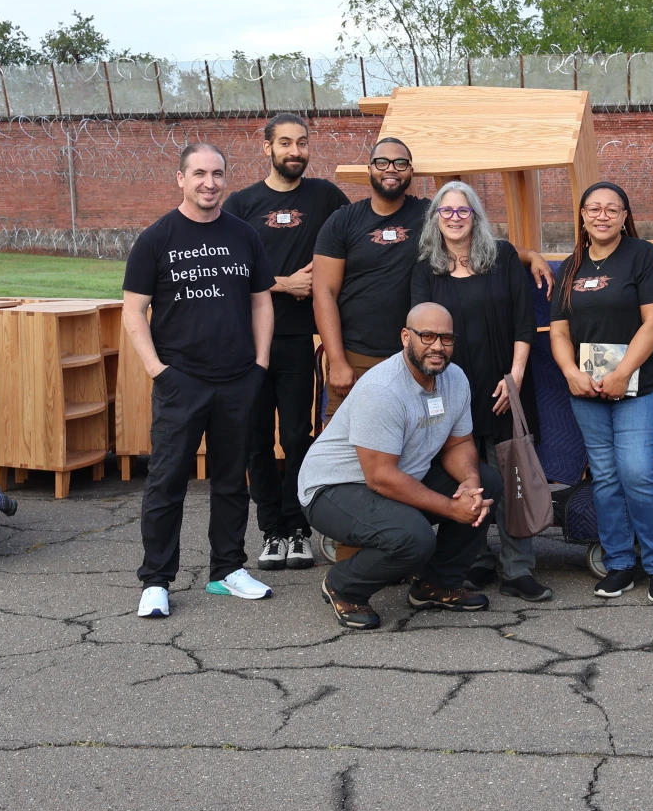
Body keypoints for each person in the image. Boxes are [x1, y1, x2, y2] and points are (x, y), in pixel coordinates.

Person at [123, 143, 276, 619]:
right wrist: (158, 371)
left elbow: (261, 303)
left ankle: (227, 570)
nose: (209, 182)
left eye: (217, 174)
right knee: (167, 481)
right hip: (181, 381)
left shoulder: (244, 235)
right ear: (181, 178)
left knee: (232, 480)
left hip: (237, 380)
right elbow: (134, 311)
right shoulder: (156, 238)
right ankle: (156, 581)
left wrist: (260, 366)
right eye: (199, 174)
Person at [312, 138, 554, 422]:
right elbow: (324, 292)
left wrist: (530, 256)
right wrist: (338, 361)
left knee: (412, 441)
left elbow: (471, 234)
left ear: (410, 171)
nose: (391, 169)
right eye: (382, 162)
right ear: (370, 168)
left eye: (400, 163)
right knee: (348, 440)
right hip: (359, 356)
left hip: (419, 357)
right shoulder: (343, 221)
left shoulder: (428, 213)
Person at [298, 302, 500, 630]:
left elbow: (459, 443)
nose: (437, 346)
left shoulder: (455, 379)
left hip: (397, 476)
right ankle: (343, 585)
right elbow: (380, 477)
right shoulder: (383, 389)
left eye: (446, 338)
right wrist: (451, 508)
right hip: (335, 488)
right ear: (406, 336)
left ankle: (436, 585)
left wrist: (469, 484)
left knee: (486, 484)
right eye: (427, 336)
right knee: (414, 538)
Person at [410, 181, 551, 602]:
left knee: (512, 477)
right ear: (436, 218)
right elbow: (421, 335)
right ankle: (472, 561)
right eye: (446, 211)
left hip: (505, 387)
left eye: (463, 211)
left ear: (476, 216)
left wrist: (515, 376)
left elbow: (524, 323)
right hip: (452, 395)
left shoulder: (503, 257)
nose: (455, 218)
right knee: (466, 480)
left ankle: (518, 568)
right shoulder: (425, 269)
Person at [222, 113, 349, 573]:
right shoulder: (240, 204)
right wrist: (283, 283)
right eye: (286, 143)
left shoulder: (326, 198)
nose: (295, 151)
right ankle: (270, 531)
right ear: (267, 148)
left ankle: (298, 529)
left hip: (297, 340)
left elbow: (354, 242)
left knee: (297, 437)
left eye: (302, 142)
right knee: (256, 441)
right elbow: (225, 272)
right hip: (250, 344)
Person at [549, 182, 653, 603]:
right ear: (582, 216)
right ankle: (620, 562)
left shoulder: (643, 257)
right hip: (587, 389)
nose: (602, 216)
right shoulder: (570, 267)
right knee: (604, 476)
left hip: (637, 385)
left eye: (612, 209)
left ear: (625, 216)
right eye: (593, 209)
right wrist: (569, 371)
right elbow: (560, 330)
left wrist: (622, 373)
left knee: (638, 472)